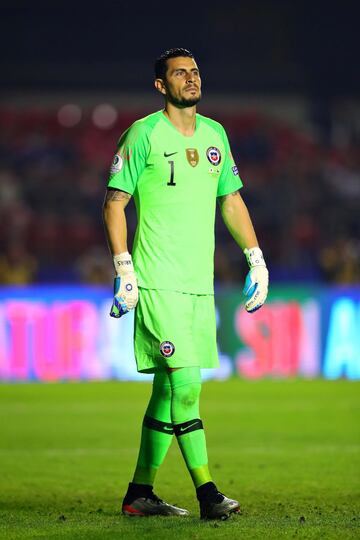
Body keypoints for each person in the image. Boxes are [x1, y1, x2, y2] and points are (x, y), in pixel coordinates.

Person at [102, 48, 269, 520]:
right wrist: (124, 269)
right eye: (179, 73)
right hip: (157, 280)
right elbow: (115, 202)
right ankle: (209, 494)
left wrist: (255, 259)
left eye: (195, 71)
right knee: (188, 385)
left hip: (199, 284)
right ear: (161, 85)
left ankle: (139, 492)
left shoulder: (215, 134)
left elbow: (231, 200)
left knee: (168, 390)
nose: (191, 79)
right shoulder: (144, 134)